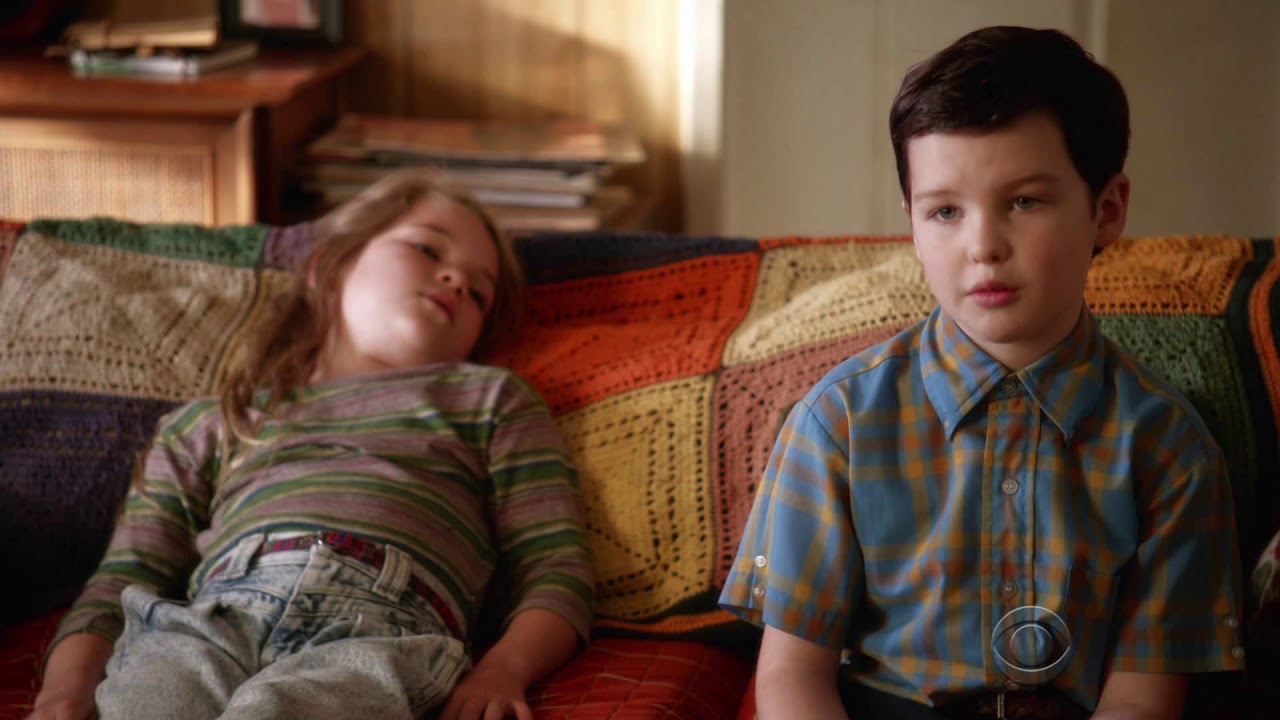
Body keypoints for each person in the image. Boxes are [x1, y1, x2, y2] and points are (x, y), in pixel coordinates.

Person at [720, 25, 1244, 720]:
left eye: (1024, 202)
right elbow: (792, 679)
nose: (984, 246)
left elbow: (1143, 701)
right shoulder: (837, 423)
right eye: (945, 211)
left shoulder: (1169, 449)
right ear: (912, 223)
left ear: (1107, 210)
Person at [27, 170, 594, 720]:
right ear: (331, 267)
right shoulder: (210, 423)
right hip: (208, 626)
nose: (457, 281)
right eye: (427, 249)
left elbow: (556, 568)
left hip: (380, 635)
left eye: (480, 293)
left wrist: (503, 669)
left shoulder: (491, 398)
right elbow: (125, 577)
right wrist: (64, 693)